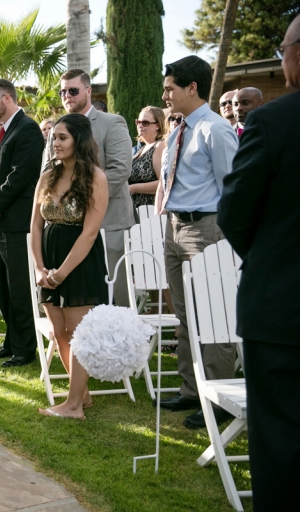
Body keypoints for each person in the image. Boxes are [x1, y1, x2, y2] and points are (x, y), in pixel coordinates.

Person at [217, 18, 300, 510]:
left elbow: (236, 213)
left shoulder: (272, 122)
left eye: (282, 46)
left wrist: (272, 260)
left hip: (283, 310)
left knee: (281, 439)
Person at [155, 56, 239, 429]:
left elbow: (233, 188)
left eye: (171, 87)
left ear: (192, 88)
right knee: (185, 314)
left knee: (212, 314)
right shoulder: (177, 130)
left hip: (205, 229)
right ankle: (191, 389)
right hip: (174, 229)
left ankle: (222, 401)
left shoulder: (215, 130)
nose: (165, 94)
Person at [32, 114, 109, 419]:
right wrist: (40, 268)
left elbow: (90, 232)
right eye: (53, 137)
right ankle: (82, 395)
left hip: (80, 260)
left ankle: (73, 405)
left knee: (79, 332)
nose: (55, 142)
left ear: (79, 140)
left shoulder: (95, 177)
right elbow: (35, 226)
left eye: (62, 137)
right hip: (48, 259)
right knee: (58, 331)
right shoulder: (48, 174)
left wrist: (63, 271)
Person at [44, 70, 134, 307]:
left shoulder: (112, 122)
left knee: (116, 298)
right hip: (68, 231)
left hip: (108, 225)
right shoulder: (57, 129)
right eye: (63, 91)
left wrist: (83, 202)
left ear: (88, 91)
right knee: (76, 301)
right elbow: (47, 173)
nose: (67, 96)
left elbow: (121, 169)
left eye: (73, 90)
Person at [0, 79, 44, 367]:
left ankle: (26, 348)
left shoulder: (28, 129)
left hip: (17, 222)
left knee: (19, 288)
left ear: (7, 99)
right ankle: (12, 341)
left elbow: (20, 177)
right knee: (2, 288)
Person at [129, 106, 167, 208]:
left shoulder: (159, 146)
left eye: (145, 123)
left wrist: (133, 188)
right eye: (138, 122)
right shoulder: (142, 149)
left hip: (151, 211)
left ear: (158, 125)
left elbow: (163, 182)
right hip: (137, 210)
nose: (140, 125)